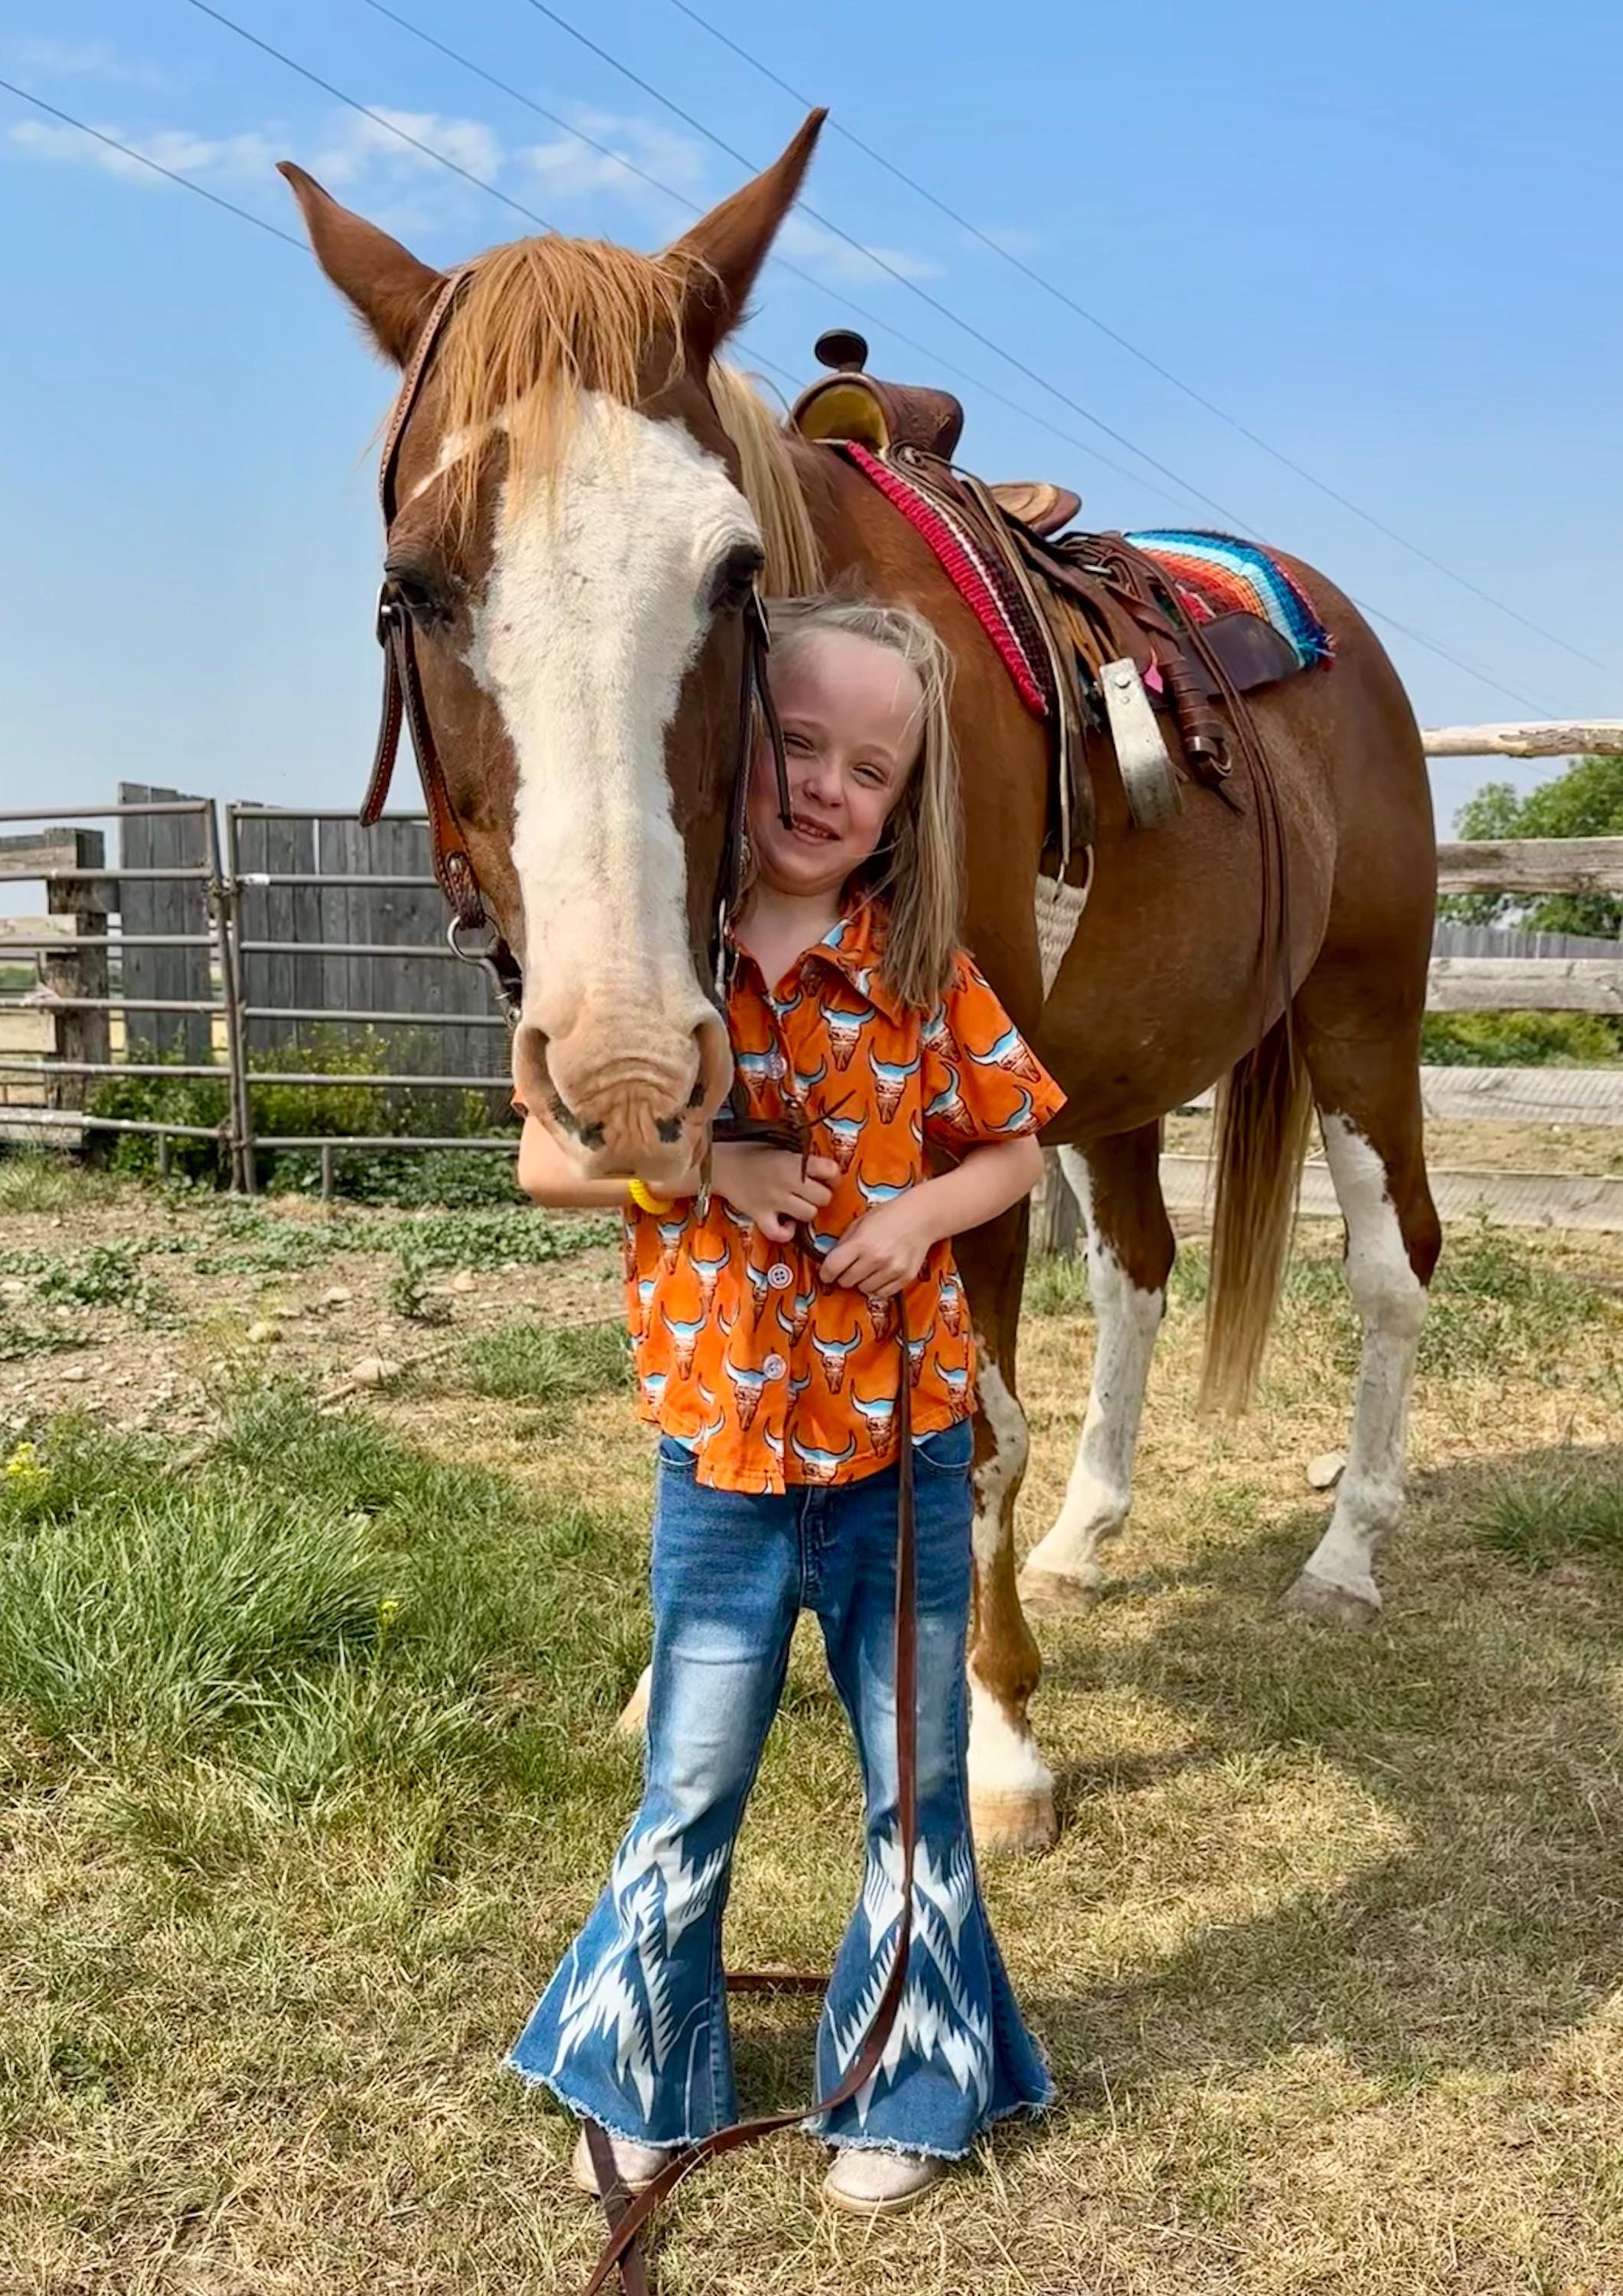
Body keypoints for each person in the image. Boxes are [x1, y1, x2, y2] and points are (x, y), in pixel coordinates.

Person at [508, 596, 1063, 2216]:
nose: (827, 786)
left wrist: (918, 1217)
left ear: (902, 805)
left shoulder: (921, 973)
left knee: (918, 1784)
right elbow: (546, 1158)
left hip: (900, 1459)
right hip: (726, 1464)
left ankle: (911, 2070)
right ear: (735, 745)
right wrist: (703, 1169)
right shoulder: (649, 976)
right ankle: (642, 2067)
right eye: (799, 745)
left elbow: (1016, 1148)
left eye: (868, 769)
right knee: (691, 1779)